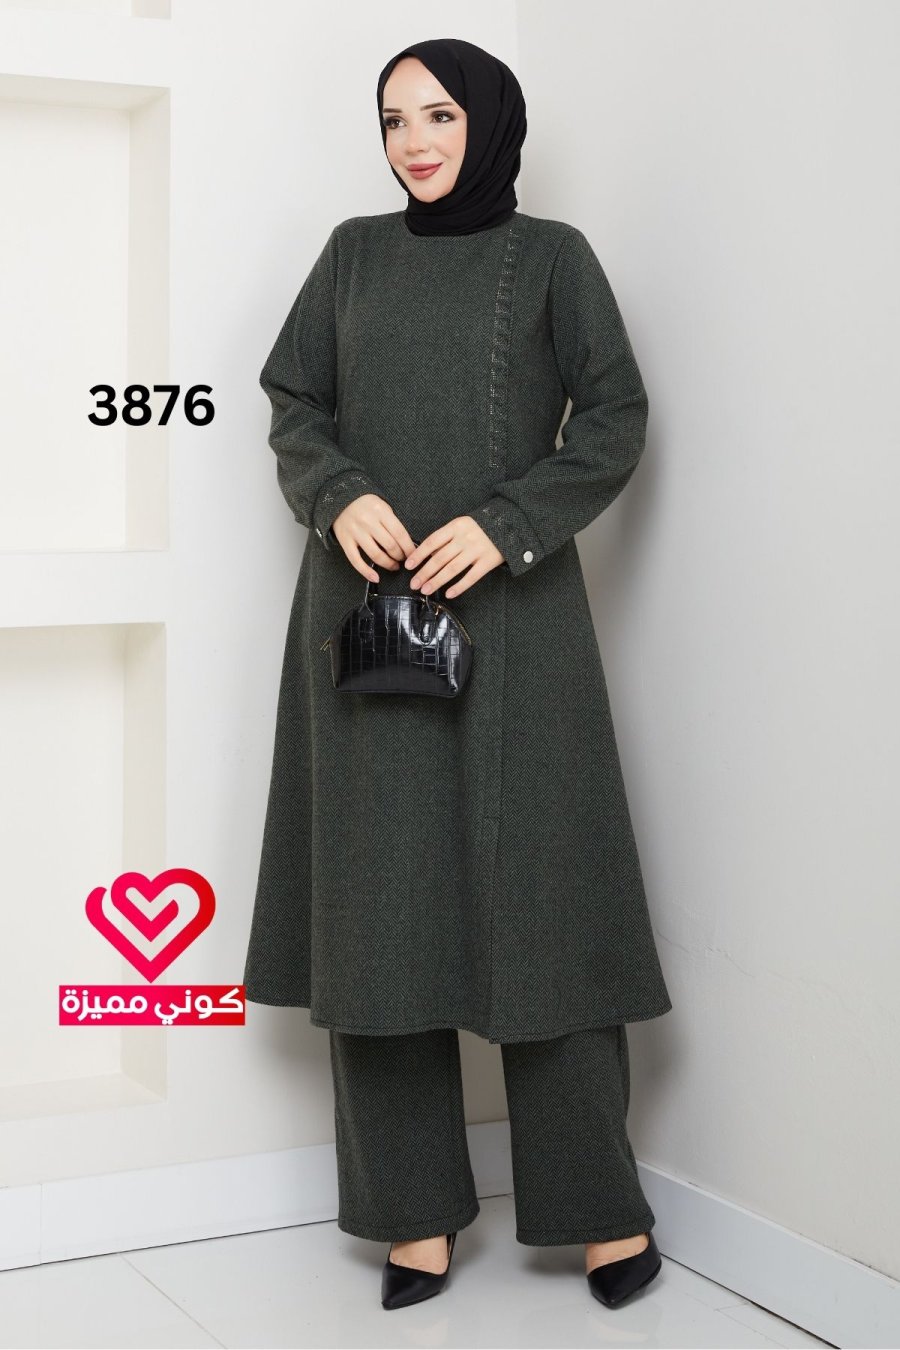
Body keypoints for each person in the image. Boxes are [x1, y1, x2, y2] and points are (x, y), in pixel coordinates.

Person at [243, 36, 672, 1312]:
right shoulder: (351, 255)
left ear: (490, 122)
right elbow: (292, 402)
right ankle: (412, 1216)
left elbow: (615, 416)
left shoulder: (554, 259)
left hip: (519, 625)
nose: (415, 142)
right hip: (362, 624)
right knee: (382, 917)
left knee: (548, 908)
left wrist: (509, 523)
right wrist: (337, 494)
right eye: (394, 120)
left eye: (438, 115)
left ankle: (600, 1213)